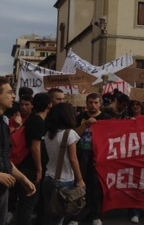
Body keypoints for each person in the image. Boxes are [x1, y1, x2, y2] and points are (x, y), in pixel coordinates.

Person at [71, 93, 112, 225]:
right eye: (90, 102)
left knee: (96, 186)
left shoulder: (106, 118)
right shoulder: (81, 117)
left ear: (100, 104)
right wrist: (85, 124)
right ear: (86, 104)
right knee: (80, 184)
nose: (93, 105)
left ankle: (96, 215)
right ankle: (76, 216)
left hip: (98, 157)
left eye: (95, 103)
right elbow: (74, 135)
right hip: (81, 155)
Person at [41, 102, 84, 225]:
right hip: (64, 181)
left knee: (49, 215)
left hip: (48, 178)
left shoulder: (48, 133)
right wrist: (80, 179)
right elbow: (73, 159)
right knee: (58, 217)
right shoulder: (69, 134)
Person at [0, 77, 36, 222]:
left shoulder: (3, 124)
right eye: (9, 92)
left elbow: (5, 158)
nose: (14, 96)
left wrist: (22, 179)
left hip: (3, 191)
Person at [15, 92, 51, 225]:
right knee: (28, 203)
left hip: (25, 165)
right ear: (49, 105)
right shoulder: (38, 122)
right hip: (30, 168)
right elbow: (35, 148)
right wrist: (39, 169)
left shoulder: (33, 120)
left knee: (25, 204)